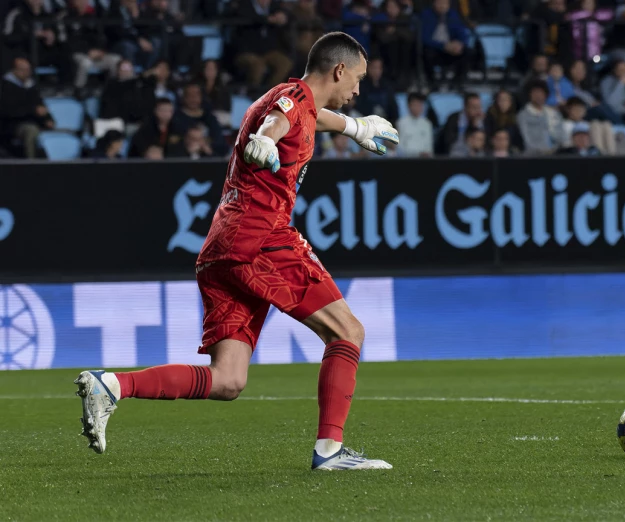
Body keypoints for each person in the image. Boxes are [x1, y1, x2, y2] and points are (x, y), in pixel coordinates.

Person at [74, 32, 400, 472]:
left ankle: (111, 384)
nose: (358, 90)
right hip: (261, 238)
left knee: (229, 380)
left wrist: (357, 127)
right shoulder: (287, 102)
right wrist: (265, 140)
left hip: (221, 248)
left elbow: (306, 117)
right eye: (357, 79)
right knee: (347, 333)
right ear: (338, 70)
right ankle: (331, 452)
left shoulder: (289, 100)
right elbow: (278, 123)